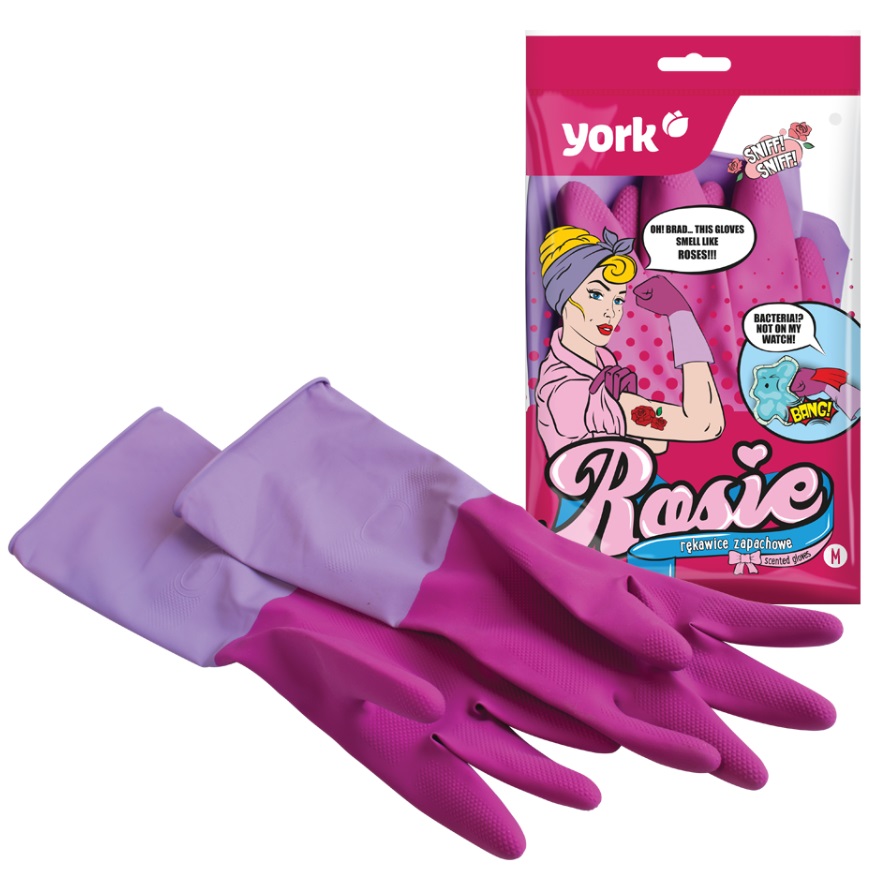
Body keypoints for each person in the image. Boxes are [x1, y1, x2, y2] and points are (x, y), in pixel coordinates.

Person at [536, 226, 724, 457]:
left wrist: (632, 409)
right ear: (563, 298)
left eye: (618, 300)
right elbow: (704, 425)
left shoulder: (601, 359)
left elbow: (654, 446)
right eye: (596, 295)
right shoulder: (568, 389)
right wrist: (680, 316)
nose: (610, 312)